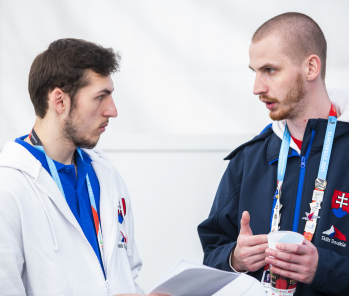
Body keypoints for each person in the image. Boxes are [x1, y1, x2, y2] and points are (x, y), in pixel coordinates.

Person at [198, 12, 349, 296]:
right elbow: (212, 255)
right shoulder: (248, 159)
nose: (257, 88)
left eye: (270, 70)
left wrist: (324, 269)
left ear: (311, 67)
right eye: (254, 71)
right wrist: (234, 259)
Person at [0, 38, 164, 296]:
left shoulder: (107, 176)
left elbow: (127, 277)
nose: (113, 110)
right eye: (100, 97)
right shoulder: (9, 189)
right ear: (60, 101)